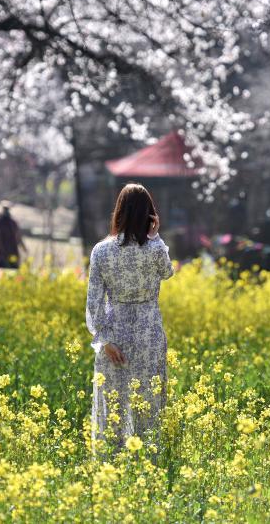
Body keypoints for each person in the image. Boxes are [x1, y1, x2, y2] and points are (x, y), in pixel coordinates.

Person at [85, 183, 174, 454]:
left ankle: (109, 466)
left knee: (112, 405)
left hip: (116, 334)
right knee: (150, 403)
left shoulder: (101, 251)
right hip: (149, 332)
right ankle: (149, 463)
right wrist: (155, 238)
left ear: (119, 212)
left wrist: (104, 340)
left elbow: (94, 302)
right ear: (148, 215)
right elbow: (168, 273)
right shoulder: (155, 249)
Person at [0, 201, 26, 269]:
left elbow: (18, 237)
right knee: (3, 272)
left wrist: (23, 248)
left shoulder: (12, 223)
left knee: (13, 271)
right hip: (1, 254)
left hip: (11, 253)